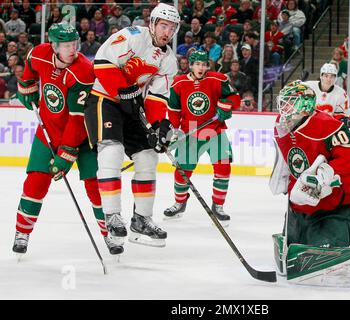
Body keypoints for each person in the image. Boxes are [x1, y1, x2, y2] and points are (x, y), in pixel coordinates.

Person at [12, 22, 122, 256]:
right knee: (35, 182)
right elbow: (29, 69)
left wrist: (64, 157)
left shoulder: (82, 70)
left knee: (95, 185)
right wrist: (26, 88)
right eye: (66, 45)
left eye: (74, 44)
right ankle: (22, 231)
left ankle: (109, 233)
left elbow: (77, 120)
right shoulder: (39, 54)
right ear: (53, 46)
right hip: (48, 132)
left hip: (83, 137)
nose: (72, 49)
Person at [84, 3, 180, 248]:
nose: (167, 32)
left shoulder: (168, 60)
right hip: (105, 99)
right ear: (153, 23)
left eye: (172, 27)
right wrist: (123, 90)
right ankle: (112, 215)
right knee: (112, 152)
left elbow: (157, 97)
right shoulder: (132, 36)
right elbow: (103, 62)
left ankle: (141, 218)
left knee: (148, 156)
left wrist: (159, 126)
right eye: (163, 25)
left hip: (132, 106)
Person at [270, 79, 350, 250]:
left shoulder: (325, 125)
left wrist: (329, 172)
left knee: (319, 254)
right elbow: (291, 157)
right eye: (283, 104)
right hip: (302, 209)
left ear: (304, 107)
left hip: (338, 208)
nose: (284, 110)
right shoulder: (282, 126)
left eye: (290, 104)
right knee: (294, 253)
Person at [163, 51, 240, 226]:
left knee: (223, 167)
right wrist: (175, 131)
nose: (201, 68)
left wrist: (226, 105)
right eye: (197, 64)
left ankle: (218, 206)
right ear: (190, 65)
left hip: (215, 130)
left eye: (204, 64)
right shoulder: (179, 83)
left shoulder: (218, 79)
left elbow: (234, 97)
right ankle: (179, 203)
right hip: (190, 131)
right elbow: (174, 111)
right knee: (182, 170)